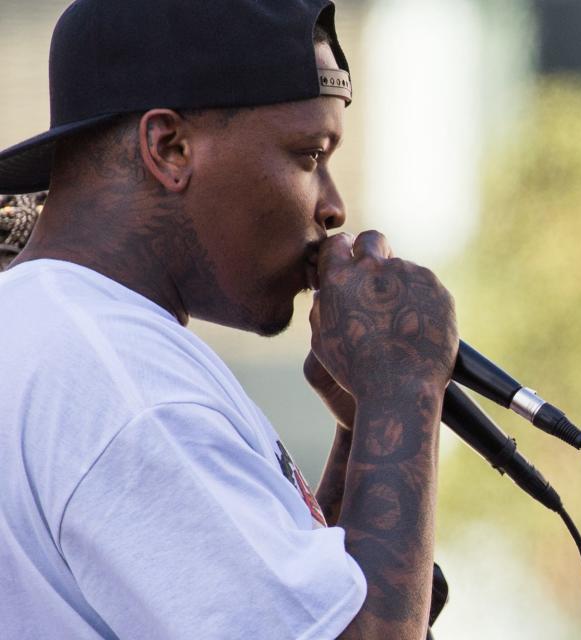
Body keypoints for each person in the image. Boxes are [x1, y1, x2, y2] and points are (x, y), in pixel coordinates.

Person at [0, 1, 458, 638]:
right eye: (309, 156)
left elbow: (284, 607)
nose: (334, 207)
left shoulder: (55, 331)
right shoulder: (125, 382)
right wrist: (403, 391)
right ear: (171, 147)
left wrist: (368, 428)